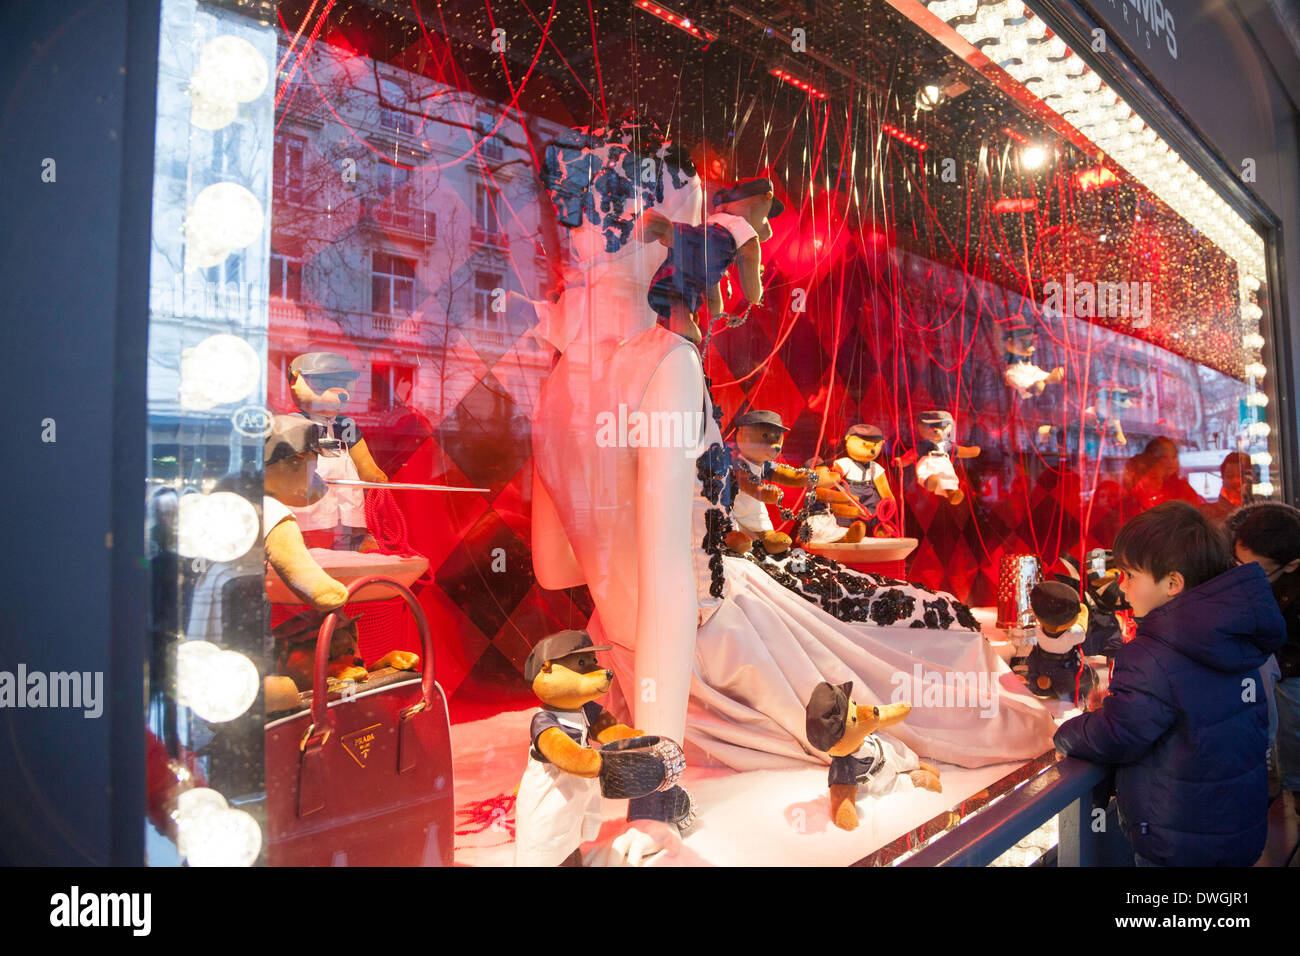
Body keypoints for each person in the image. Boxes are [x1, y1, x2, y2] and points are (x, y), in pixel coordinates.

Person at [1054, 501, 1286, 866]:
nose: (1121, 584)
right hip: (1238, 830)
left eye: (1129, 574)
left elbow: (1120, 734)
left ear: (1173, 583)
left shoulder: (1152, 654)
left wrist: (1068, 733)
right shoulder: (1237, 635)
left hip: (1175, 842)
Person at [1226, 501, 1300, 816]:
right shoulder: (1241, 574)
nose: (1243, 575)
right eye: (1237, 563)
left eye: (1255, 569)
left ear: (1293, 565)